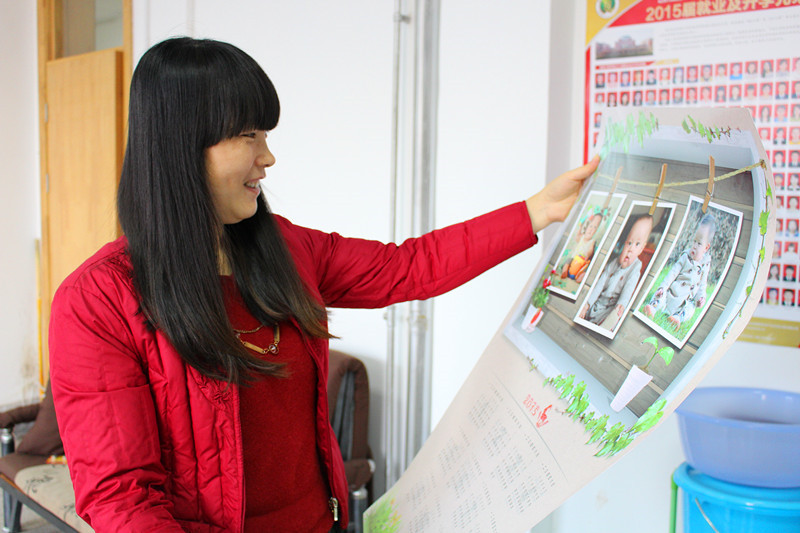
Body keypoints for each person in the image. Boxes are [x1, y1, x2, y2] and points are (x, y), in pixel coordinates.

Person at [47, 37, 599, 533]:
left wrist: (536, 211)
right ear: (182, 147)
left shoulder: (286, 250)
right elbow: (123, 499)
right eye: (248, 136)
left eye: (265, 135)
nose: (268, 157)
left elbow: (409, 267)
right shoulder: (97, 301)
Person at [579, 214, 653, 329]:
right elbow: (600, 284)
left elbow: (628, 291)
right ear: (624, 243)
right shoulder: (613, 263)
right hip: (598, 303)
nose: (630, 249)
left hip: (610, 308)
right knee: (584, 309)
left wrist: (621, 305)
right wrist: (587, 304)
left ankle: (606, 323)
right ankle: (587, 310)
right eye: (629, 243)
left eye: (637, 244)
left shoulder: (635, 269)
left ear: (641, 249)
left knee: (614, 317)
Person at [642, 214, 715, 329]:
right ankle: (653, 307)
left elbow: (702, 285)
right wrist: (663, 288)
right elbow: (672, 273)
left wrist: (701, 298)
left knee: (690, 309)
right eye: (694, 241)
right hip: (672, 292)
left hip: (684, 301)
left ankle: (677, 318)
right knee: (660, 295)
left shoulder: (705, 265)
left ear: (706, 247)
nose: (694, 246)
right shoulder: (685, 257)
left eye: (699, 243)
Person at [558, 211, 603, 283]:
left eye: (595, 228)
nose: (591, 229)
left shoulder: (592, 241)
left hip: (582, 262)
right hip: (574, 259)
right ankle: (565, 271)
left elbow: (590, 250)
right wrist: (580, 227)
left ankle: (580, 277)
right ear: (586, 227)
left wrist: (588, 255)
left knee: (585, 269)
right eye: (590, 226)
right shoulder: (582, 236)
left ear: (596, 232)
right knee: (567, 261)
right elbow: (577, 237)